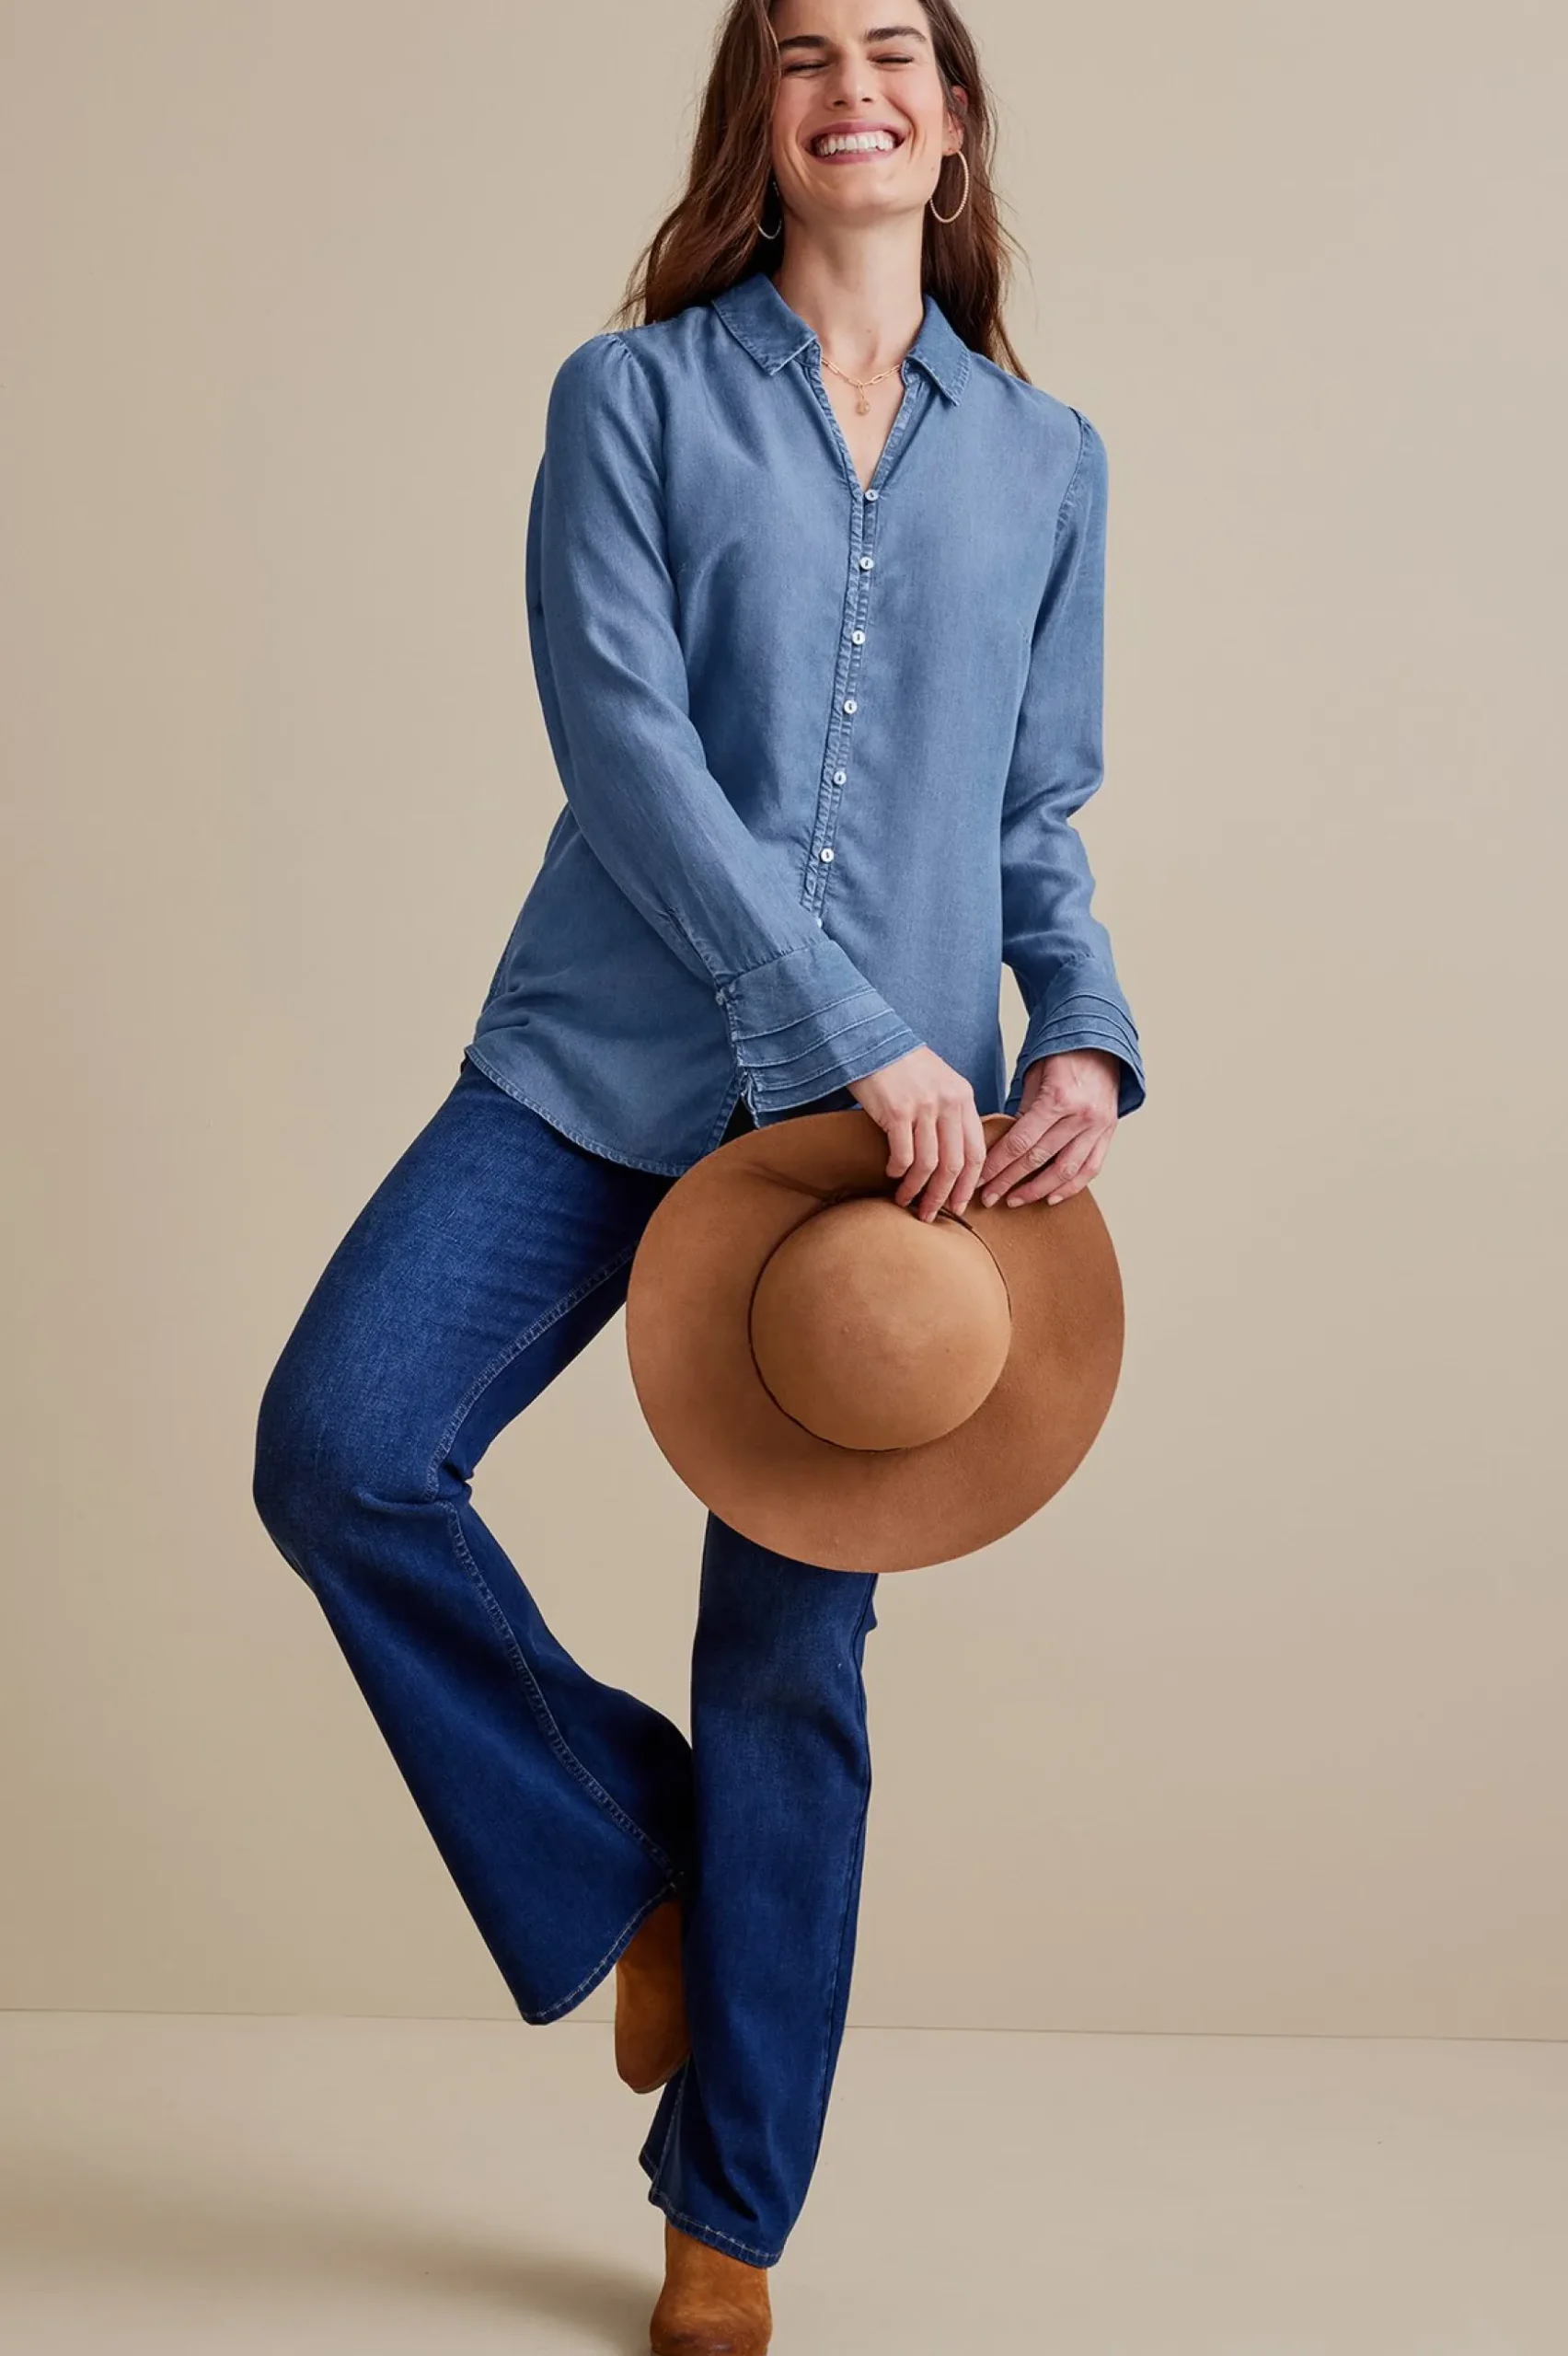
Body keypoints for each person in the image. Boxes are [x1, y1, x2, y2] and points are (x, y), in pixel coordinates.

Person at [250, 1, 1145, 2348]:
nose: (855, 84)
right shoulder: (629, 400)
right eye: (804, 53)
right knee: (342, 1445)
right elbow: (622, 739)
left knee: (791, 1666)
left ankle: (728, 2208)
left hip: (883, 1166)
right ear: (760, 115)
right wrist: (837, 1015)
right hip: (606, 1062)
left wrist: (1086, 1033)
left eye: (895, 48)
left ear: (952, 119)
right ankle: (629, 1865)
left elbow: (1036, 813)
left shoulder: (1047, 462)